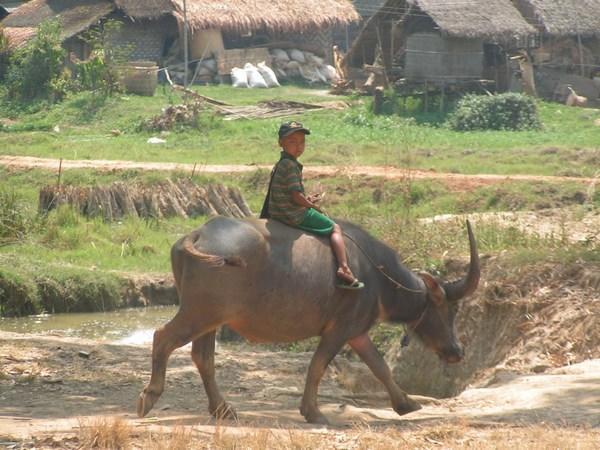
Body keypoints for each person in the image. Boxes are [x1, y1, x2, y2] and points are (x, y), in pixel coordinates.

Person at [260, 121, 364, 289]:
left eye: (302, 142)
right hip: (292, 213)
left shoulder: (281, 163)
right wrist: (311, 205)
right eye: (292, 142)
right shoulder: (291, 165)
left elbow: (289, 192)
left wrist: (306, 198)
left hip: (278, 210)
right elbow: (295, 196)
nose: (298, 146)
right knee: (335, 228)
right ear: (281, 143)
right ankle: (344, 268)